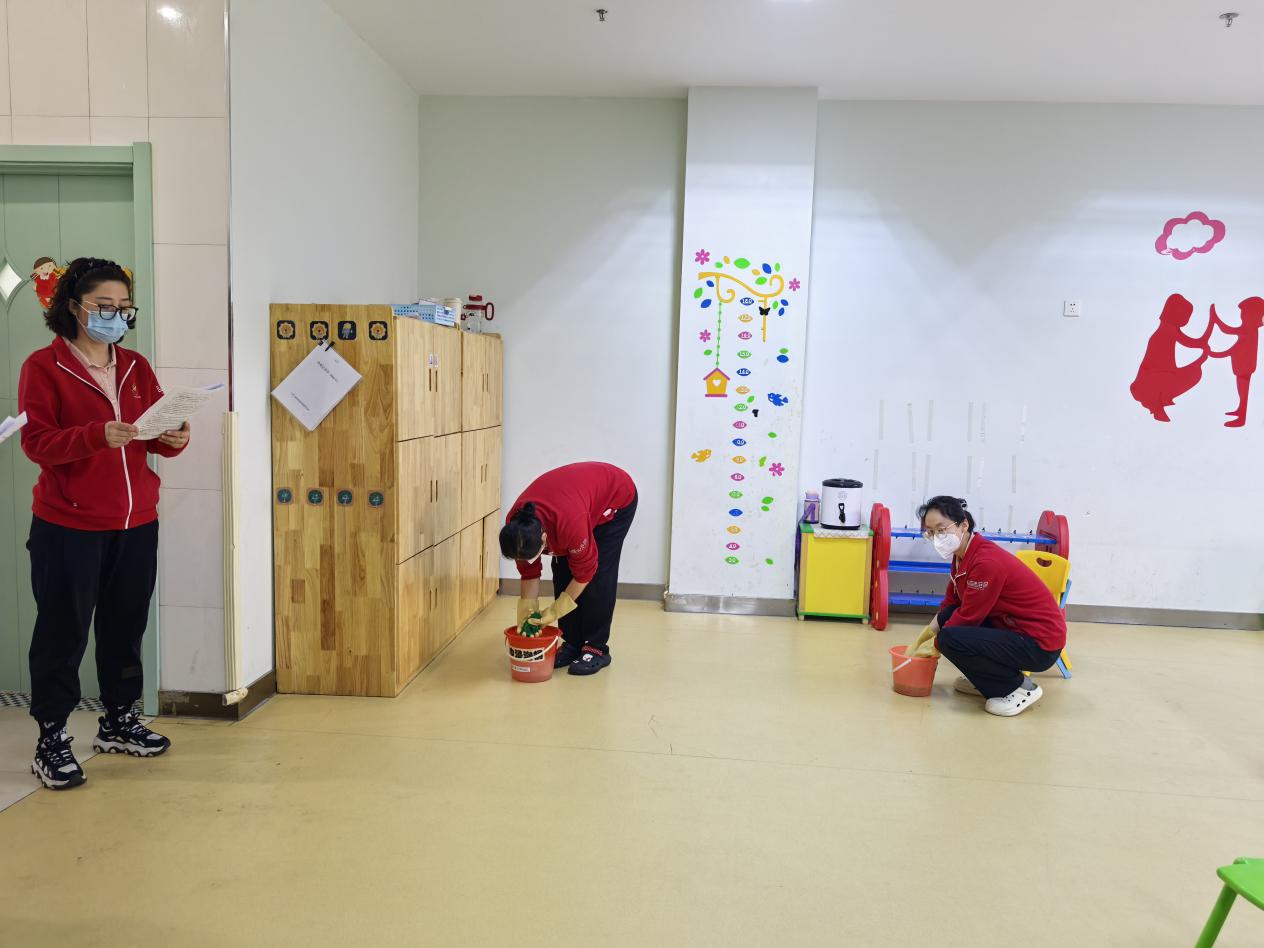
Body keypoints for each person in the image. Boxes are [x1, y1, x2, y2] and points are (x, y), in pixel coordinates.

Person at [17, 257, 190, 790]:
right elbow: (37, 442)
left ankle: (118, 720)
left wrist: (175, 437)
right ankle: (51, 737)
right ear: (74, 306)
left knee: (125, 627)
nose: (116, 316)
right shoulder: (43, 367)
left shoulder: (135, 366)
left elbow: (154, 433)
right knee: (62, 633)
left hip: (136, 522)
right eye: (104, 306)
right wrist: (96, 435)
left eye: (124, 307)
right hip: (68, 527)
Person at [907, 496, 1066, 717]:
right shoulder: (962, 555)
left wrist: (934, 644)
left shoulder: (986, 562)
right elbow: (951, 604)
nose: (937, 538)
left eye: (941, 530)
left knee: (950, 639)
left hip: (1039, 643)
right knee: (948, 619)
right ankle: (985, 681)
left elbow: (969, 617)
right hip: (1013, 629)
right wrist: (925, 635)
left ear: (963, 525)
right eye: (931, 533)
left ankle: (1018, 688)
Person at [500, 462, 637, 676]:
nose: (526, 561)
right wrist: (527, 614)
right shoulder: (516, 530)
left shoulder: (569, 523)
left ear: (544, 538)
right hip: (574, 503)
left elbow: (585, 573)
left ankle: (596, 647)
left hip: (615, 499)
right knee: (562, 570)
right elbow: (529, 572)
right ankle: (572, 642)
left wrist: (555, 611)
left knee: (598, 574)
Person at [1129, 293, 1212, 422]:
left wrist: (1203, 354)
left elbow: (1199, 343)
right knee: (1192, 373)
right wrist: (1212, 322)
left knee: (1194, 372)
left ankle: (1157, 405)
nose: (1186, 320)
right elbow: (1197, 343)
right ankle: (1156, 405)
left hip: (1157, 378)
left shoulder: (1169, 330)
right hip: (1152, 379)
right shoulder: (1167, 330)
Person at [1209, 297, 1264, 428]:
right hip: (1243, 367)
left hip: (1245, 367)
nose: (1241, 316)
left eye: (1244, 313)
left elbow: (1228, 333)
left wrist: (1215, 318)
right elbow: (1235, 346)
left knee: (1244, 392)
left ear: (1252, 315)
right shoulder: (1249, 330)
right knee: (1242, 392)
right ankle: (1240, 410)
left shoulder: (1248, 330)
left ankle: (1241, 418)